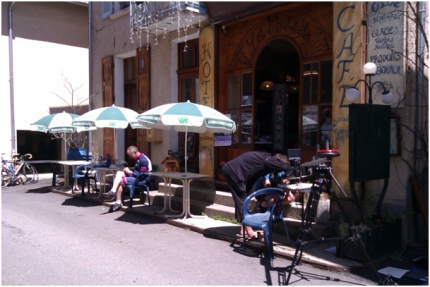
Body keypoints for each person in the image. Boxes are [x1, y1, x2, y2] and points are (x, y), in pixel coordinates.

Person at [221, 151, 293, 240]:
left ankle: (243, 229)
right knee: (241, 201)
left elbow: (253, 176)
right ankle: (249, 231)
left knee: (242, 199)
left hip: (237, 173)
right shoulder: (268, 159)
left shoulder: (265, 164)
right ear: (277, 163)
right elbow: (277, 166)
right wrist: (290, 169)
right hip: (233, 171)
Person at [103, 146, 151, 212]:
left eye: (130, 155)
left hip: (142, 180)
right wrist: (128, 171)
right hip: (136, 176)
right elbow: (137, 171)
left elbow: (142, 175)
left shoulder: (143, 160)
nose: (130, 157)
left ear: (134, 152)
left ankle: (118, 202)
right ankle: (113, 191)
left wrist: (129, 172)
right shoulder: (137, 158)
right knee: (119, 173)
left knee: (120, 181)